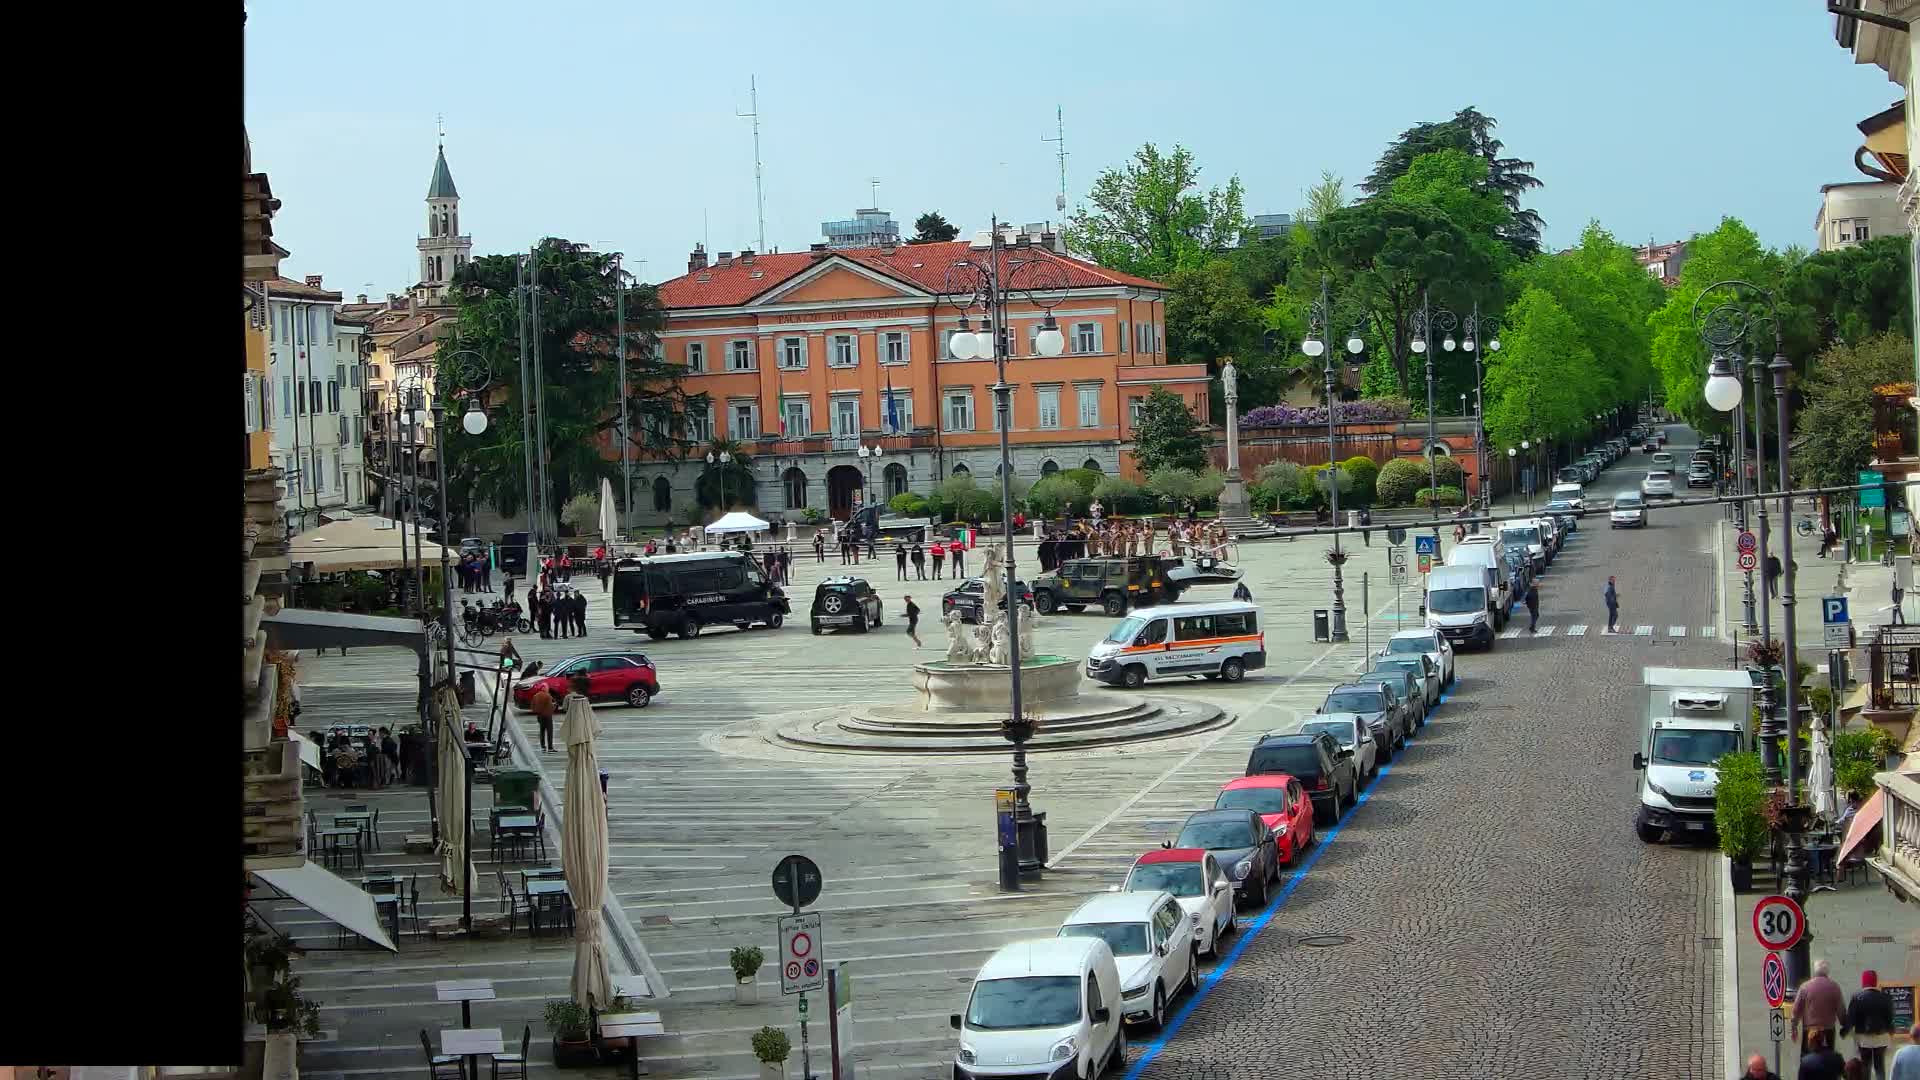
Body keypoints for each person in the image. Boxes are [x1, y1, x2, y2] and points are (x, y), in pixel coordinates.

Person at [1844, 970, 1895, 1079]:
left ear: (1863, 982)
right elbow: (1890, 1018)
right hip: (1881, 1037)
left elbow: (1851, 1018)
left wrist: (1844, 1031)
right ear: (1875, 981)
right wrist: (1891, 1031)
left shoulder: (1857, 997)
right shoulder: (1885, 997)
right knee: (1879, 1066)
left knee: (1865, 1066)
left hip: (1863, 1038)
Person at [1796, 960, 1848, 1054]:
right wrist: (1844, 1024)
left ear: (1815, 970)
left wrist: (1794, 1025)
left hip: (1810, 1031)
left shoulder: (1805, 987)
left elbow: (1797, 1009)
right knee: (1828, 1058)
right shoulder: (1835, 987)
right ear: (1827, 971)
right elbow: (1840, 1010)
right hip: (1828, 1031)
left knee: (1808, 1059)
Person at [530, 684, 557, 752]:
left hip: (539, 715)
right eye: (547, 687)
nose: (548, 689)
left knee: (542, 731)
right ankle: (550, 747)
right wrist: (554, 706)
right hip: (547, 715)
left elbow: (532, 707)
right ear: (544, 688)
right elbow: (550, 707)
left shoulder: (535, 696)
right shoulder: (548, 696)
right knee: (549, 731)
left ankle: (543, 747)